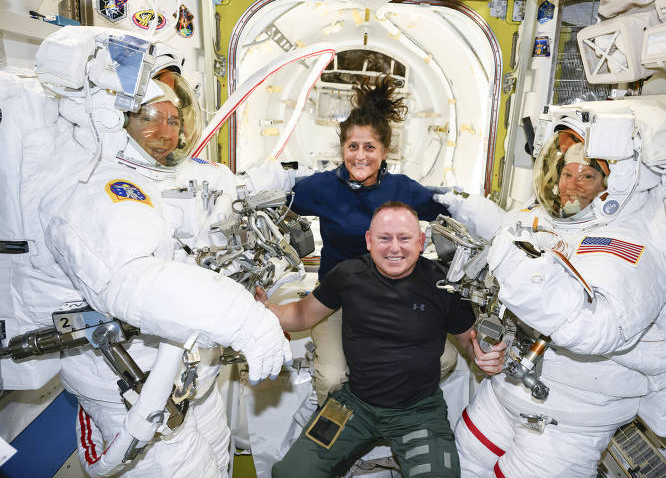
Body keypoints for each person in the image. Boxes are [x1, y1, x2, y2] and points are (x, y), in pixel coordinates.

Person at [0, 27, 295, 477]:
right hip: (137, 391)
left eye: (174, 119)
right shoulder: (99, 188)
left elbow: (216, 199)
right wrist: (245, 321)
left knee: (217, 461)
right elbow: (134, 279)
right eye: (148, 117)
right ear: (117, 119)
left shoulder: (155, 179)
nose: (165, 133)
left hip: (187, 380)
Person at [435, 102, 666, 477]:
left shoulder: (626, 247)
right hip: (508, 392)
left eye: (587, 176)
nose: (572, 184)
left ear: (612, 185)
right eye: (567, 173)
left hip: (566, 419)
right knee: (462, 464)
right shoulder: (538, 220)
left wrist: (522, 276)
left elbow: (596, 330)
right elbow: (504, 254)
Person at [258, 202, 506, 478]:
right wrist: (265, 310)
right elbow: (302, 315)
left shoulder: (443, 285)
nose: (394, 248)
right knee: (292, 474)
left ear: (421, 241)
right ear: (369, 241)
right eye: (384, 238)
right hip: (355, 406)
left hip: (418, 412)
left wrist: (485, 355)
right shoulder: (348, 275)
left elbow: (469, 341)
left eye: (404, 238)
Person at [276, 75, 454, 404]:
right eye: (353, 146)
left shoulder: (403, 189)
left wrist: (485, 217)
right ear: (342, 148)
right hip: (335, 299)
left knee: (443, 360)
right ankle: (337, 430)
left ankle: (384, 412)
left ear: (384, 151)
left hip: (393, 297)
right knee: (332, 378)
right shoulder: (321, 187)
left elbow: (449, 206)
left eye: (370, 147)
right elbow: (275, 197)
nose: (361, 155)